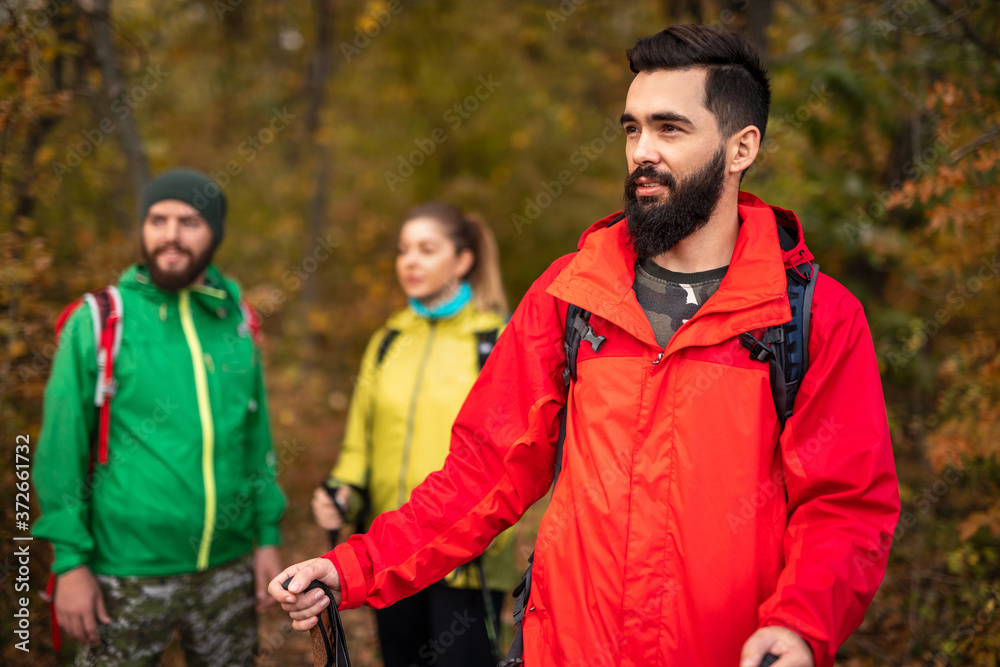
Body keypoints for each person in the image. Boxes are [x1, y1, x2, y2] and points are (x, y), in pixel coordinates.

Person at [270, 25, 900, 667]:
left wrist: (799, 627)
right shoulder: (572, 292)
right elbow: (483, 474)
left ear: (741, 148)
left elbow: (845, 507)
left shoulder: (811, 315)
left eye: (669, 129)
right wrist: (353, 566)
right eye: (632, 129)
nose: (641, 152)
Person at [34, 168, 286, 666]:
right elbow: (59, 452)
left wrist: (268, 539)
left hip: (228, 568)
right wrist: (69, 564)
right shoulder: (100, 320)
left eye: (189, 221)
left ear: (215, 232)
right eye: (158, 219)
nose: (170, 234)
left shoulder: (238, 323)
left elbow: (255, 439)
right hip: (124, 573)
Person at [310, 202, 518, 667]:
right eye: (404, 250)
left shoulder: (495, 341)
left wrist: (489, 538)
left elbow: (510, 458)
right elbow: (358, 442)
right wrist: (342, 489)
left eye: (427, 249)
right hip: (390, 551)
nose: (410, 261)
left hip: (467, 560)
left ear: (463, 260)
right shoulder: (387, 340)